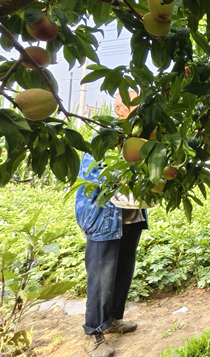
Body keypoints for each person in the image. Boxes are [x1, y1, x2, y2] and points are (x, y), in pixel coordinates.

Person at [75, 91, 147, 357]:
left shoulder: (139, 139)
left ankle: (113, 319)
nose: (141, 109)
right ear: (119, 108)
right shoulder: (104, 139)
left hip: (130, 219)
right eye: (135, 104)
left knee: (123, 273)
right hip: (105, 219)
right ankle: (93, 332)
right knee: (102, 279)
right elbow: (95, 178)